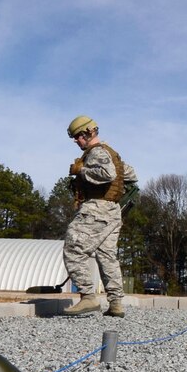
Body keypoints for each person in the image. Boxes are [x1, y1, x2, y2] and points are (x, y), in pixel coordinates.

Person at [61, 115, 138, 317]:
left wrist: (82, 171)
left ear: (89, 132)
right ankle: (116, 304)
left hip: (97, 209)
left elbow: (108, 174)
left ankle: (88, 297)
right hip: (113, 211)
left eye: (78, 136)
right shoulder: (111, 153)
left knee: (73, 248)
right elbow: (130, 174)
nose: (76, 140)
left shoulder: (96, 152)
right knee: (107, 256)